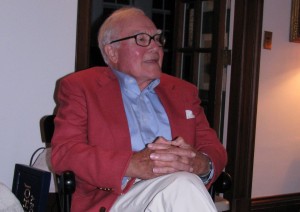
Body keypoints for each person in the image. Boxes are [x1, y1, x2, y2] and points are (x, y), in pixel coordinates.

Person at [51, 6, 227, 212]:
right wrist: (132, 164)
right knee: (182, 186)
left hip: (180, 189)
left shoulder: (183, 92)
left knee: (182, 184)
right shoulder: (82, 87)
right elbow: (65, 153)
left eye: (157, 39)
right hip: (116, 198)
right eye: (142, 39)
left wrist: (198, 163)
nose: (155, 48)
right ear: (112, 51)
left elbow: (214, 148)